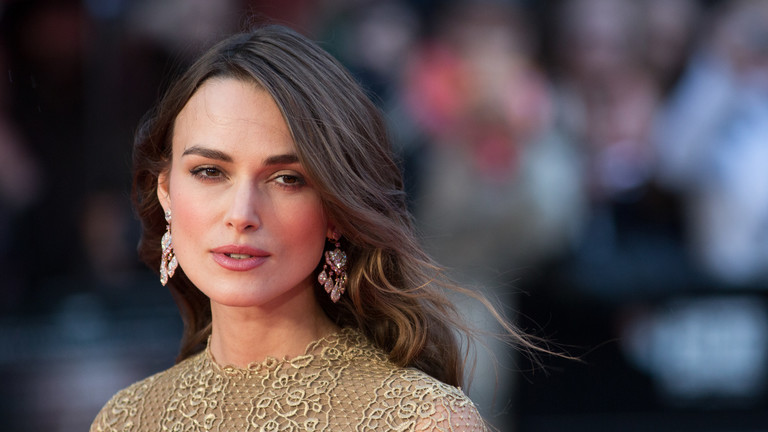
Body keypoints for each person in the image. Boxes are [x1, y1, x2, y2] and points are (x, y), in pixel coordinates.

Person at [90, 24, 535, 431]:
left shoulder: (425, 420)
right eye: (209, 172)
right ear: (166, 191)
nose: (241, 214)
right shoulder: (126, 419)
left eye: (287, 179)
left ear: (335, 207)